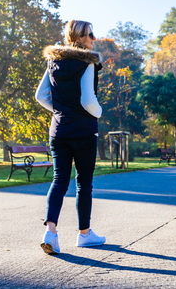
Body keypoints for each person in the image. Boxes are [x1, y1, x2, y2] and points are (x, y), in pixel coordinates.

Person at [35, 20, 105, 255]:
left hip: (59, 130)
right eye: (90, 35)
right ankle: (84, 235)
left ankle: (50, 232)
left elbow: (40, 96)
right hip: (84, 131)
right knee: (84, 183)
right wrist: (99, 113)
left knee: (59, 180)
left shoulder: (53, 61)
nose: (94, 39)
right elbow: (88, 100)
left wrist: (61, 111)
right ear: (80, 38)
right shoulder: (87, 62)